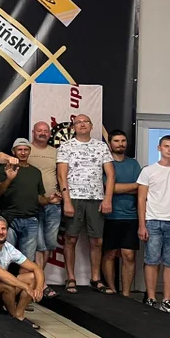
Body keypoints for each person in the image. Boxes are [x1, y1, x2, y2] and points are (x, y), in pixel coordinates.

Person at [56, 115, 114, 294]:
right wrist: (66, 201)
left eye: (85, 122)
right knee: (71, 238)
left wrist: (107, 198)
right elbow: (61, 175)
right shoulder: (66, 146)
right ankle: (70, 278)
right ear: (73, 127)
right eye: (78, 122)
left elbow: (111, 175)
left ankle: (95, 278)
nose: (82, 124)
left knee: (97, 240)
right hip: (74, 197)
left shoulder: (101, 146)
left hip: (96, 198)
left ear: (91, 126)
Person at [137, 135, 170, 313]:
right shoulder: (148, 171)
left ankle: (167, 300)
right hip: (153, 221)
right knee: (152, 260)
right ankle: (151, 298)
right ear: (159, 148)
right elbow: (141, 199)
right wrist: (142, 225)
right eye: (166, 146)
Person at [0, 215, 45, 327]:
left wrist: (39, 288)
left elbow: (36, 268)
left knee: (33, 277)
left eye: (3, 229)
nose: (1, 232)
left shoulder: (8, 247)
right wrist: (26, 287)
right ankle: (14, 318)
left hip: (1, 287)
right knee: (7, 284)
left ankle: (19, 314)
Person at [101, 130, 141, 297]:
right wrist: (131, 187)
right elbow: (110, 188)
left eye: (123, 141)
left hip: (131, 216)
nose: (120, 144)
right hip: (110, 216)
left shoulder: (134, 164)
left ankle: (126, 294)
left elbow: (141, 188)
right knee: (110, 254)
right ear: (110, 144)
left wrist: (119, 188)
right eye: (116, 141)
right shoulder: (106, 164)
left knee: (128, 255)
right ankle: (112, 289)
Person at [0, 138, 48, 265]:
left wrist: (50, 200)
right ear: (13, 151)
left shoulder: (36, 172)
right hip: (10, 219)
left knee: (27, 261)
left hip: (31, 220)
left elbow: (40, 198)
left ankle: (25, 279)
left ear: (30, 151)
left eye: (26, 150)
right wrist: (9, 179)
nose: (23, 152)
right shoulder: (5, 168)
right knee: (4, 259)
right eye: (19, 149)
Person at [29, 121, 62, 294]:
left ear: (50, 134)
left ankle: (38, 280)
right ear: (33, 132)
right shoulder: (25, 150)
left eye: (45, 131)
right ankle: (40, 284)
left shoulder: (56, 152)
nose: (42, 133)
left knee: (49, 244)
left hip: (53, 204)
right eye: (39, 130)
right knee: (38, 245)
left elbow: (63, 175)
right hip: (32, 204)